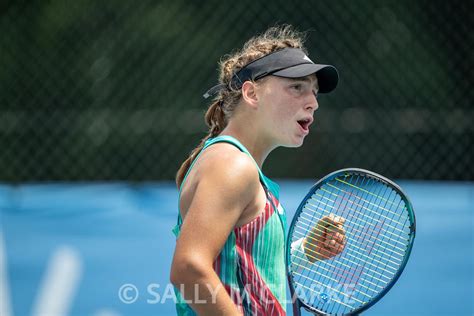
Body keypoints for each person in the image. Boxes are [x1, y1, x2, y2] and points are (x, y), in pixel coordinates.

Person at [170, 25, 346, 315]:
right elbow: (188, 269)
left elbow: (238, 266)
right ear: (251, 93)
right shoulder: (232, 165)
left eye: (314, 92)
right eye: (297, 87)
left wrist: (305, 251)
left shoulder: (236, 165)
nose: (313, 102)